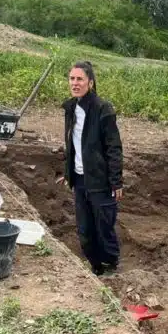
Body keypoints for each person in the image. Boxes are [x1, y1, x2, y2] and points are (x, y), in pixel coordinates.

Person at [60, 61, 124, 277]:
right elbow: (72, 144)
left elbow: (113, 147)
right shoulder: (70, 108)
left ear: (90, 82)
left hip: (100, 180)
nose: (75, 83)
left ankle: (111, 265)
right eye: (72, 78)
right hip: (79, 180)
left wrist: (116, 182)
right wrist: (68, 171)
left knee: (104, 226)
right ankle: (95, 266)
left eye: (79, 79)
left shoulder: (102, 109)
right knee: (85, 229)